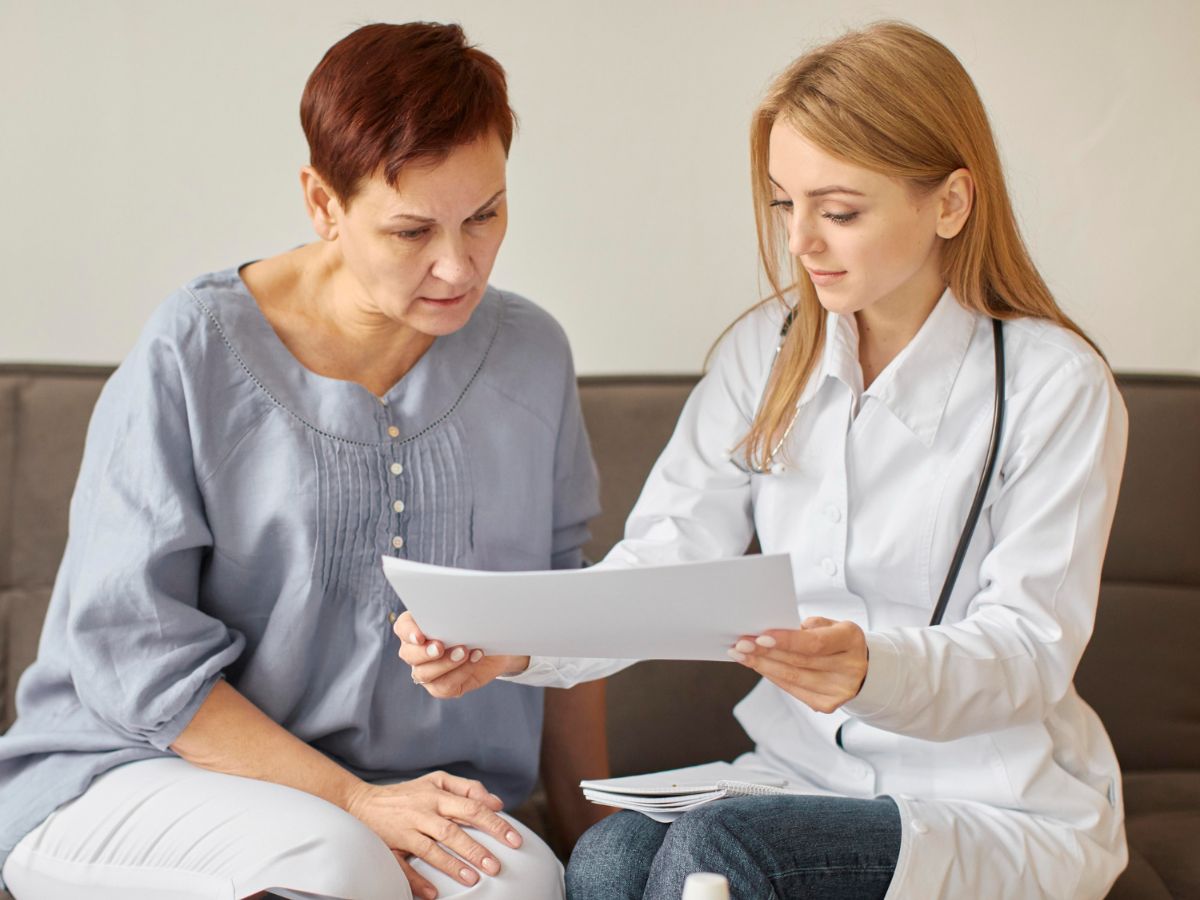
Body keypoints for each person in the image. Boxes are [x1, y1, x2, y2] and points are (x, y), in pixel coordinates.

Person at [398, 20, 1129, 900]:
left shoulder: (1056, 387)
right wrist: (506, 648)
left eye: (841, 210)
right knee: (606, 859)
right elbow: (661, 563)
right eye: (787, 203)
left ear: (951, 203)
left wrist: (869, 668)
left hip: (991, 801)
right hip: (800, 777)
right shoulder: (764, 355)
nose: (801, 242)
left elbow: (1029, 652)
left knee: (724, 854)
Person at [0, 22, 609, 900]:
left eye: (485, 215)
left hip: (419, 795)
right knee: (334, 863)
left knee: (519, 885)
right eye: (410, 231)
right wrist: (353, 802)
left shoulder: (531, 352)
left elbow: (565, 602)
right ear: (323, 204)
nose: (458, 263)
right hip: (137, 772)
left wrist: (594, 841)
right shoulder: (195, 348)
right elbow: (132, 655)